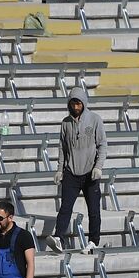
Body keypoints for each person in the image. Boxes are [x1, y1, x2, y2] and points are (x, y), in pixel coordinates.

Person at [46, 85, 107, 255]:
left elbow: (102, 145)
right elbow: (62, 148)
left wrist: (98, 167)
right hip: (71, 172)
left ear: (84, 103)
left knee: (93, 210)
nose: (75, 107)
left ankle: (93, 241)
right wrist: (59, 170)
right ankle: (59, 238)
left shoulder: (95, 120)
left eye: (78, 104)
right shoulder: (65, 123)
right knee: (65, 207)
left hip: (90, 173)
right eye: (72, 104)